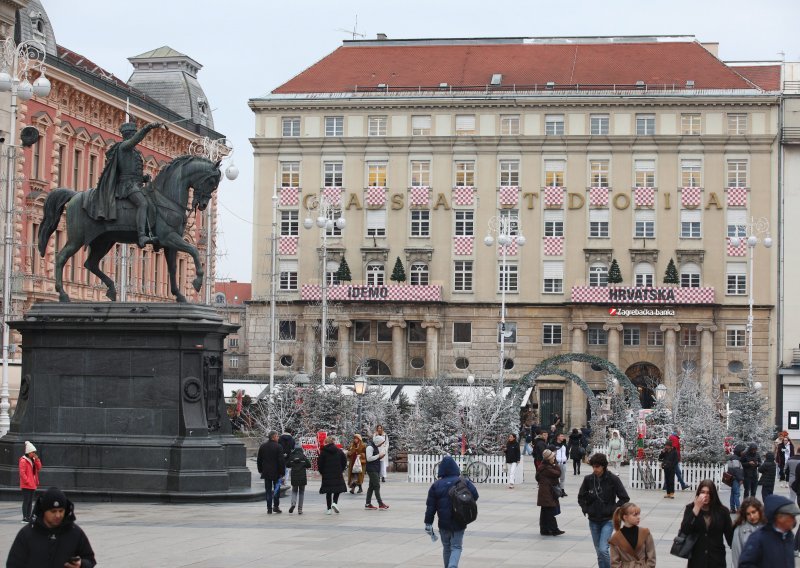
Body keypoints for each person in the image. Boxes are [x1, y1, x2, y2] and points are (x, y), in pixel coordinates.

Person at [83, 120, 167, 247]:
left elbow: (132, 171)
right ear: (129, 135)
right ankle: (141, 236)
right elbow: (127, 173)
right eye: (134, 134)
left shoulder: (134, 152)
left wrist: (143, 178)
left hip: (135, 184)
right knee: (142, 203)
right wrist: (149, 127)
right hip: (126, 186)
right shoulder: (124, 147)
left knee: (152, 201)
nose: (135, 136)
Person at [6, 486, 96, 568]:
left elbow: (90, 560)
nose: (58, 515)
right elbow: (13, 564)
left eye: (61, 511)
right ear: (44, 511)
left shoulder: (75, 532)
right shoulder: (26, 534)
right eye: (53, 511)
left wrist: (81, 564)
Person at [424, 455, 479, 568]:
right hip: (460, 520)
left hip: (444, 523)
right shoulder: (464, 482)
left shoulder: (436, 485)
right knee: (456, 547)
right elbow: (475, 496)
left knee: (446, 547)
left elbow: (430, 507)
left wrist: (428, 523)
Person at [578, 452, 630, 568]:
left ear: (603, 466)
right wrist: (586, 508)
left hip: (608, 519)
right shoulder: (589, 479)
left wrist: (614, 508)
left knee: (603, 550)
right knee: (599, 552)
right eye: (593, 466)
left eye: (597, 467)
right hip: (593, 519)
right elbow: (581, 497)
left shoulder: (613, 479)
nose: (595, 469)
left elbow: (624, 497)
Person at [679, 479, 733, 568]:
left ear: (713, 494)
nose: (706, 495)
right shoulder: (690, 508)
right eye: (703, 492)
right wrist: (696, 508)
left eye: (709, 493)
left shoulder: (722, 511)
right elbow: (685, 530)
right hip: (697, 559)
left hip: (716, 559)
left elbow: (730, 536)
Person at [738, 494, 800, 568]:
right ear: (779, 518)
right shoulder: (758, 539)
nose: (794, 520)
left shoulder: (789, 536)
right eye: (790, 517)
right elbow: (744, 564)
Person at [608, 502, 656, 568]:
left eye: (639, 514)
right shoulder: (616, 538)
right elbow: (614, 563)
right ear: (625, 517)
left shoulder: (645, 533)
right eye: (635, 515)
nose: (638, 517)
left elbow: (651, 556)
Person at [256, 430, 285, 514]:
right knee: (276, 490)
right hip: (276, 472)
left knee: (268, 490)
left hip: (266, 472)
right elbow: (281, 461)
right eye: (277, 436)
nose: (278, 437)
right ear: (273, 437)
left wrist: (260, 470)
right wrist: (282, 472)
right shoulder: (278, 447)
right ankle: (276, 506)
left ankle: (269, 508)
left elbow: (259, 460)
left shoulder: (263, 446)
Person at [731, 497, 766, 567]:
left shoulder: (768, 527)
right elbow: (737, 556)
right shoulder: (739, 530)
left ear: (759, 511)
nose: (752, 516)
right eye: (748, 514)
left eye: (754, 512)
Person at [317, 435, 348, 514]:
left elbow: (319, 464)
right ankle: (334, 503)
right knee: (337, 489)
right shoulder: (339, 451)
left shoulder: (323, 452)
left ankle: (328, 509)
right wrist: (341, 469)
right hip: (337, 473)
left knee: (328, 492)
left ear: (326, 442)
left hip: (327, 474)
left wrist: (322, 472)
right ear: (333, 442)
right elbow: (344, 461)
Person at [537, 449, 564, 536]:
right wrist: (556, 465)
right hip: (547, 493)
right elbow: (558, 473)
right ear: (548, 458)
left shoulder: (543, 466)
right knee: (550, 511)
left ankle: (544, 529)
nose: (554, 458)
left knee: (545, 511)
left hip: (545, 492)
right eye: (553, 457)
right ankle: (554, 529)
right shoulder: (547, 468)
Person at [18, 441, 41, 523]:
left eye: (34, 452)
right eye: (32, 452)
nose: (34, 453)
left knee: (30, 501)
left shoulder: (34, 459)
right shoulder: (23, 460)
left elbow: (39, 468)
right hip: (26, 485)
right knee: (26, 501)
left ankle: (29, 516)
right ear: (28, 452)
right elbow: (22, 472)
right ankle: (25, 517)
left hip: (33, 484)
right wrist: (27, 481)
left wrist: (37, 459)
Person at [365, 434, 389, 510]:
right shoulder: (370, 447)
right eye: (381, 443)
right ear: (377, 442)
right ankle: (380, 503)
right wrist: (379, 456)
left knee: (371, 487)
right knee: (377, 485)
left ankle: (368, 504)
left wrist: (379, 456)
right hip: (371, 469)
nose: (381, 444)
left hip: (374, 468)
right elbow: (369, 458)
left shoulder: (374, 446)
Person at [286, 446, 311, 515]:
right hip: (302, 476)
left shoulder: (292, 456)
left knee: (294, 491)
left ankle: (293, 503)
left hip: (294, 476)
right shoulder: (303, 456)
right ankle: (300, 509)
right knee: (301, 492)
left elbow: (287, 465)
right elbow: (309, 465)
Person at [728, 445, 745, 512]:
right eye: (742, 451)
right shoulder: (735, 458)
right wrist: (740, 479)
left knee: (733, 493)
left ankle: (732, 508)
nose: (743, 452)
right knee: (737, 494)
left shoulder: (733, 457)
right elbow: (736, 470)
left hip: (733, 478)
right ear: (739, 451)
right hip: (736, 479)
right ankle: (738, 508)